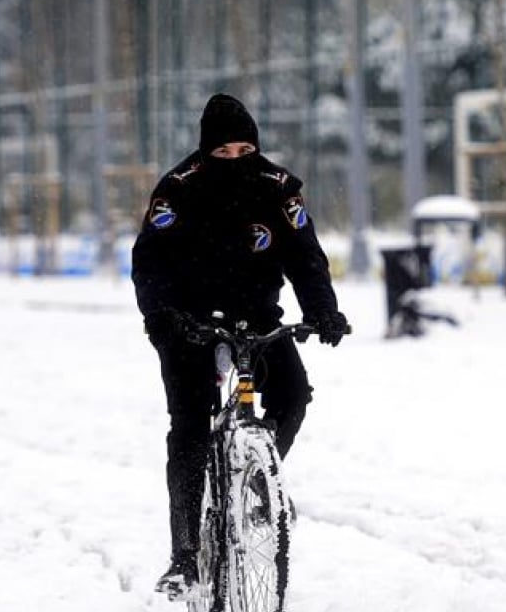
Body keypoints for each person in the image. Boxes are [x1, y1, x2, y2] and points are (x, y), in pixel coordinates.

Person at [132, 93, 348, 598]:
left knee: (293, 396)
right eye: (223, 152)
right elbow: (150, 262)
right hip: (187, 322)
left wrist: (324, 311)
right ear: (206, 151)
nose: (235, 159)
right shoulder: (178, 189)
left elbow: (306, 257)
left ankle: (258, 480)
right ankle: (185, 556)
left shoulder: (277, 188)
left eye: (244, 150)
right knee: (190, 426)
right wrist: (160, 316)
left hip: (257, 318)